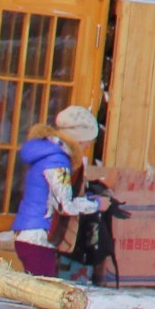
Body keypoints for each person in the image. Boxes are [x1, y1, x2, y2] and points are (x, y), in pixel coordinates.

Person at [10, 106, 103, 277]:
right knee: (44, 295)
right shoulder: (58, 162)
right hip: (38, 237)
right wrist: (96, 204)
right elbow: (64, 205)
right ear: (77, 139)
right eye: (86, 141)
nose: (88, 146)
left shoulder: (48, 153)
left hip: (30, 233)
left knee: (39, 292)